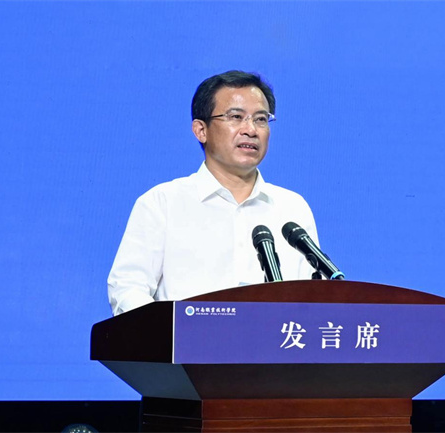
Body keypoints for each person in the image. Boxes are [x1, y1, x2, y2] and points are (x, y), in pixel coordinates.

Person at [107, 70, 319, 316]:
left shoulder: (292, 208)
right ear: (201, 130)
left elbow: (314, 296)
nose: (250, 129)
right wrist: (167, 331)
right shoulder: (162, 203)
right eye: (236, 117)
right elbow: (127, 289)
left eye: (261, 119)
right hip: (186, 340)